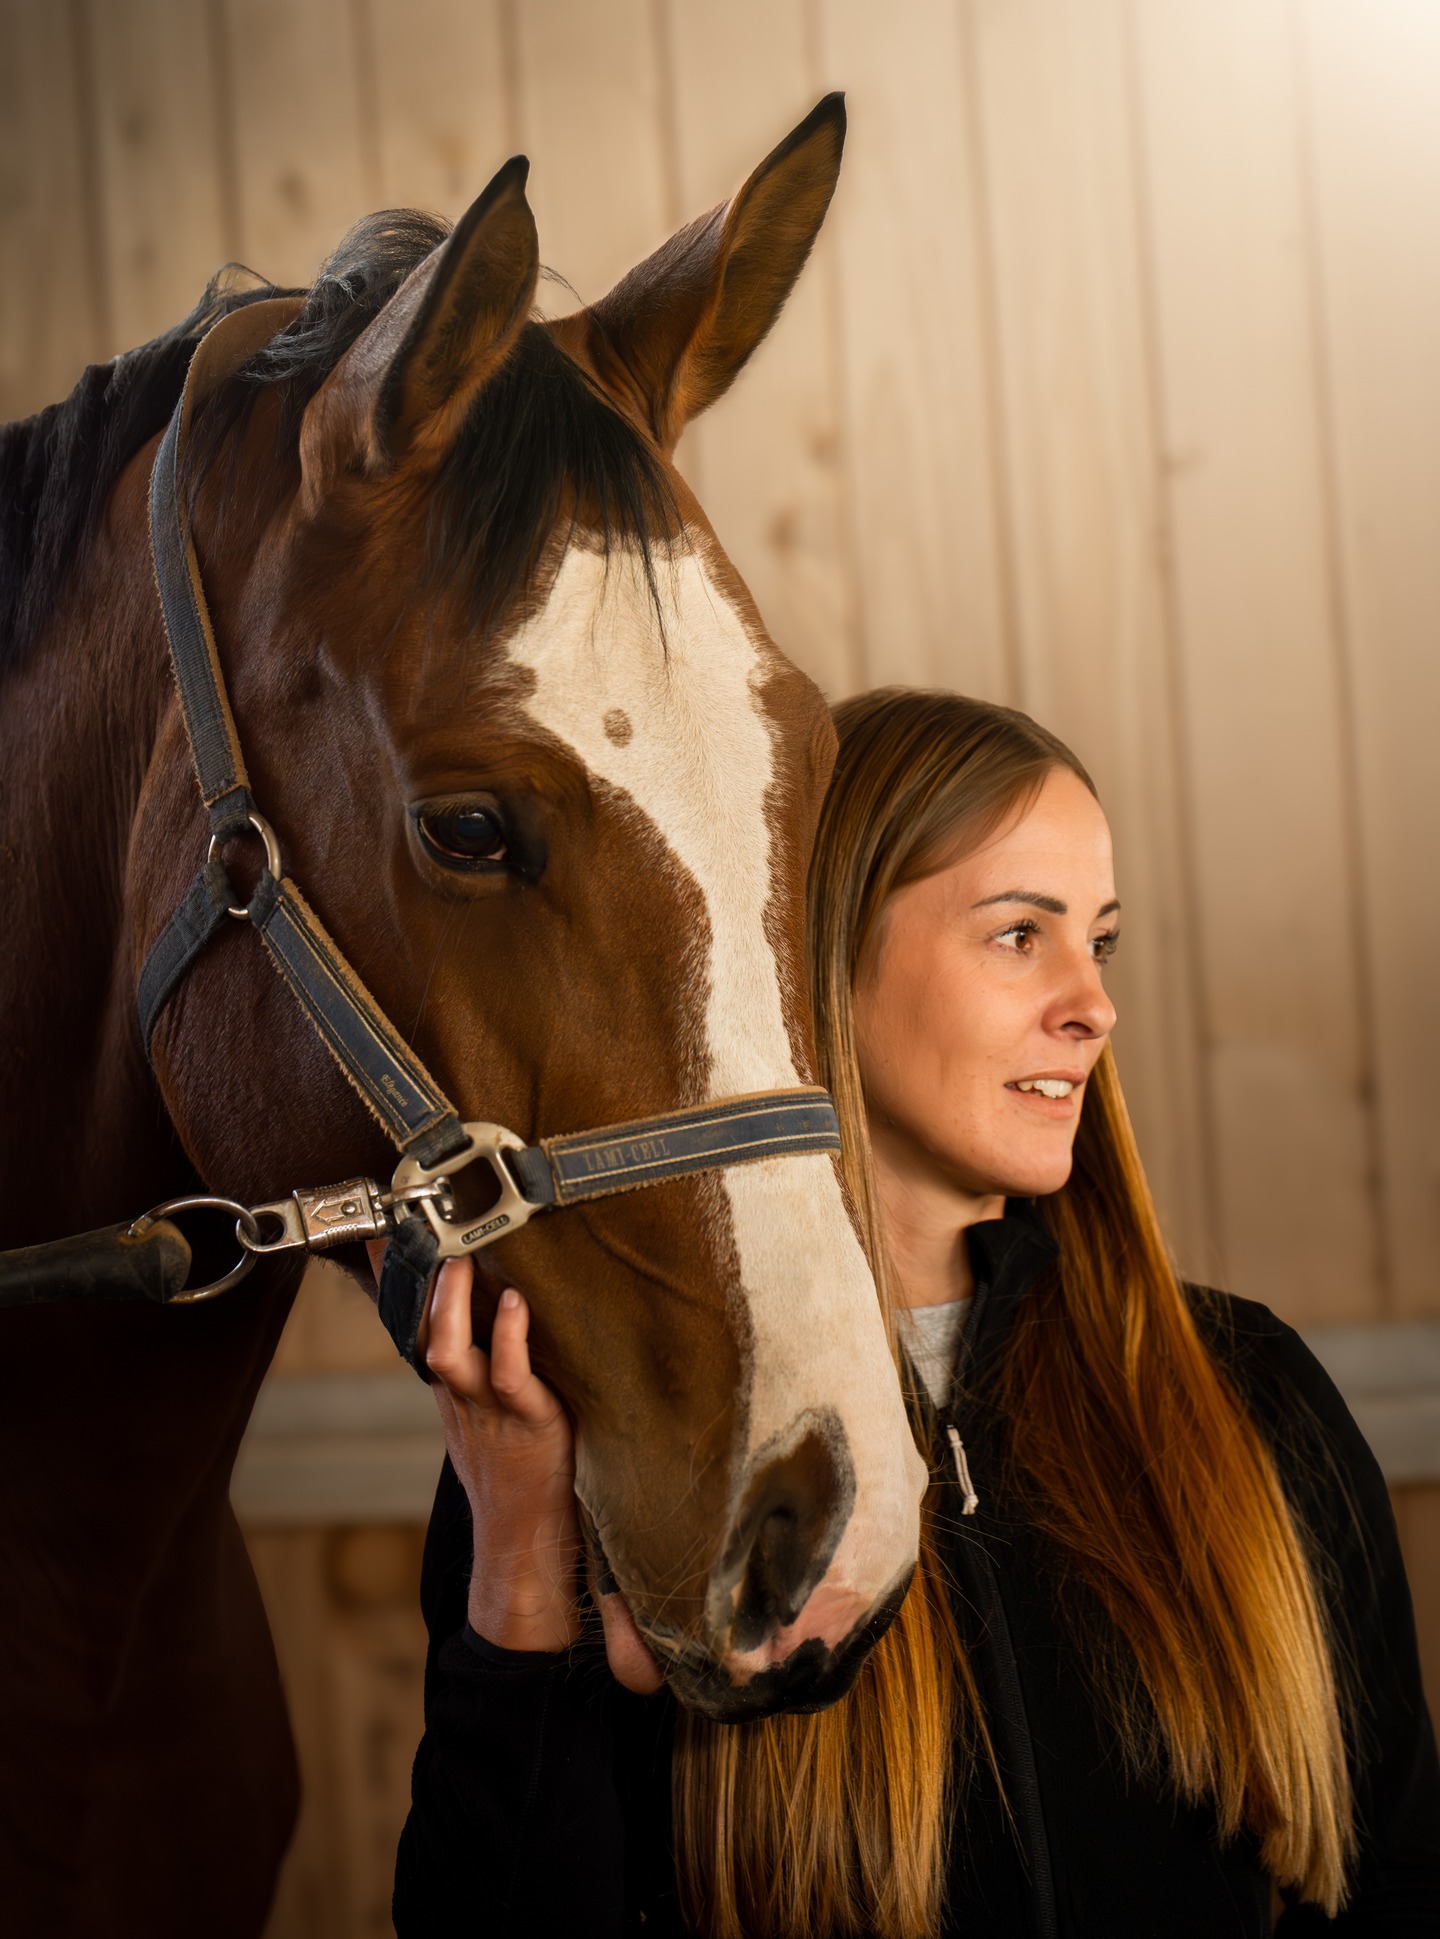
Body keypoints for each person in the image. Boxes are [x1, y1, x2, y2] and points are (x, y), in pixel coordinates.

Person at [388, 689, 1440, 1938]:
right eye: (1019, 934)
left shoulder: (1251, 1392)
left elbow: (1390, 1877)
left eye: (1100, 941)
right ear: (816, 954)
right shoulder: (594, 1447)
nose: (1092, 1004)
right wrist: (519, 1555)